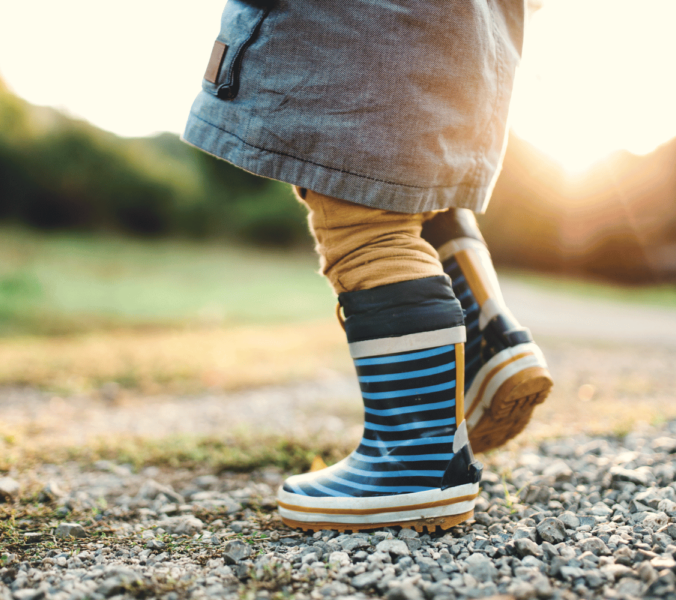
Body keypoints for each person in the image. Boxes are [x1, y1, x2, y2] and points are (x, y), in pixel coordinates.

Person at [183, 0, 553, 532]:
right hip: (474, 37)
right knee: (413, 188)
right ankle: (485, 340)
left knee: (363, 223)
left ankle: (416, 464)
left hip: (364, 31)